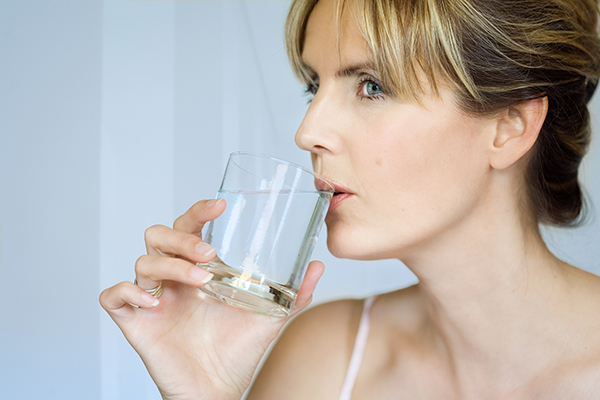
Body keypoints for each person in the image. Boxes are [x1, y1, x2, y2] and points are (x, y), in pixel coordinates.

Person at [100, 0, 600, 398]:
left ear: (509, 126)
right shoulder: (324, 361)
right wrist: (204, 390)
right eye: (313, 87)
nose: (307, 132)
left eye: (372, 86)